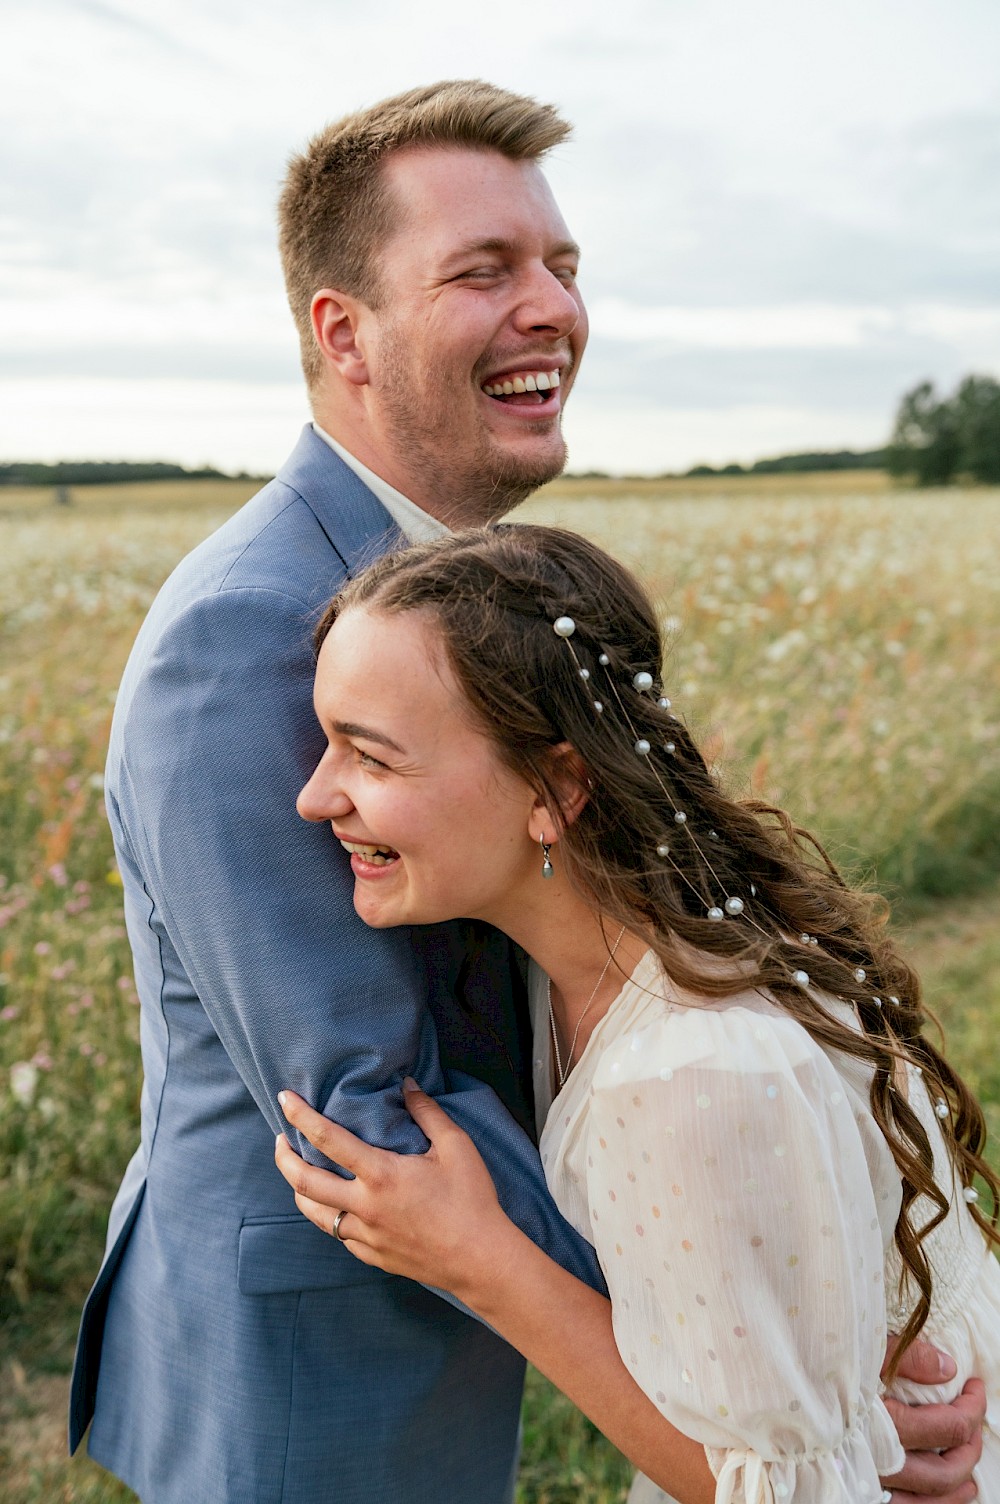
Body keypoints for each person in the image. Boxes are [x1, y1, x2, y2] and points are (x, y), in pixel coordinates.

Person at [70, 76, 981, 1504]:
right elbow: (364, 1103)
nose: (552, 306)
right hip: (318, 1356)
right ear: (343, 331)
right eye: (484, 270)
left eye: (562, 265)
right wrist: (793, 1361)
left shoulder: (462, 594)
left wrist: (811, 1331)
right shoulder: (243, 633)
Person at [274, 523, 1000, 1504]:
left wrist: (480, 1260)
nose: (315, 796)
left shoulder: (693, 1071)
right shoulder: (586, 953)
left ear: (557, 787)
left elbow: (788, 1493)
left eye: (371, 757)